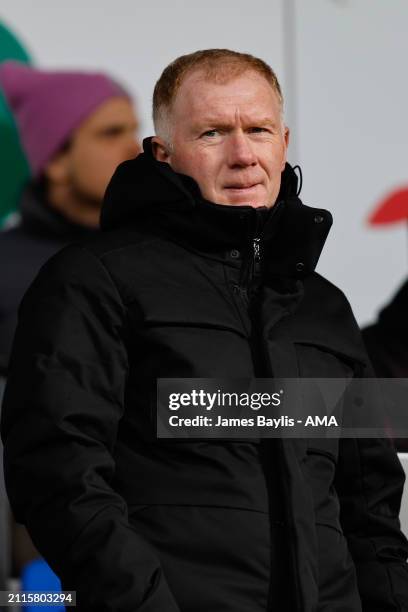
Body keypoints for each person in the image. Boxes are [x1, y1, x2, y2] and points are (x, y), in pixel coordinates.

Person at [1, 49, 408, 611]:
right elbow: (57, 471)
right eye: (213, 133)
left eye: (258, 130)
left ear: (284, 142)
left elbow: (372, 503)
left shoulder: (326, 307)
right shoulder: (91, 280)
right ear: (164, 154)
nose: (243, 155)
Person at [0, 61, 141, 374]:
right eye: (111, 133)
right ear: (56, 162)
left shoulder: (164, 254)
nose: (135, 148)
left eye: (135, 131)